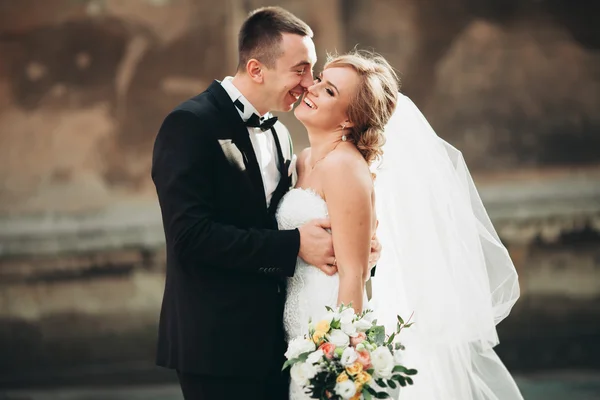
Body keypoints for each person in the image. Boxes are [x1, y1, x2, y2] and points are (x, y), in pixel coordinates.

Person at [151, 7, 381, 400]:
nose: (308, 84)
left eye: (316, 76)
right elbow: (189, 236)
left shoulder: (282, 135)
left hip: (284, 344)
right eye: (301, 69)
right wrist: (294, 245)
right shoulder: (189, 124)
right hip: (215, 345)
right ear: (257, 69)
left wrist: (358, 251)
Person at [278, 51, 524, 399]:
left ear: (350, 118)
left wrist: (340, 362)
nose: (313, 89)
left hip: (325, 329)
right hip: (296, 324)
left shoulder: (344, 168)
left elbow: (353, 274)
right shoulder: (304, 160)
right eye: (320, 81)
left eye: (330, 91)